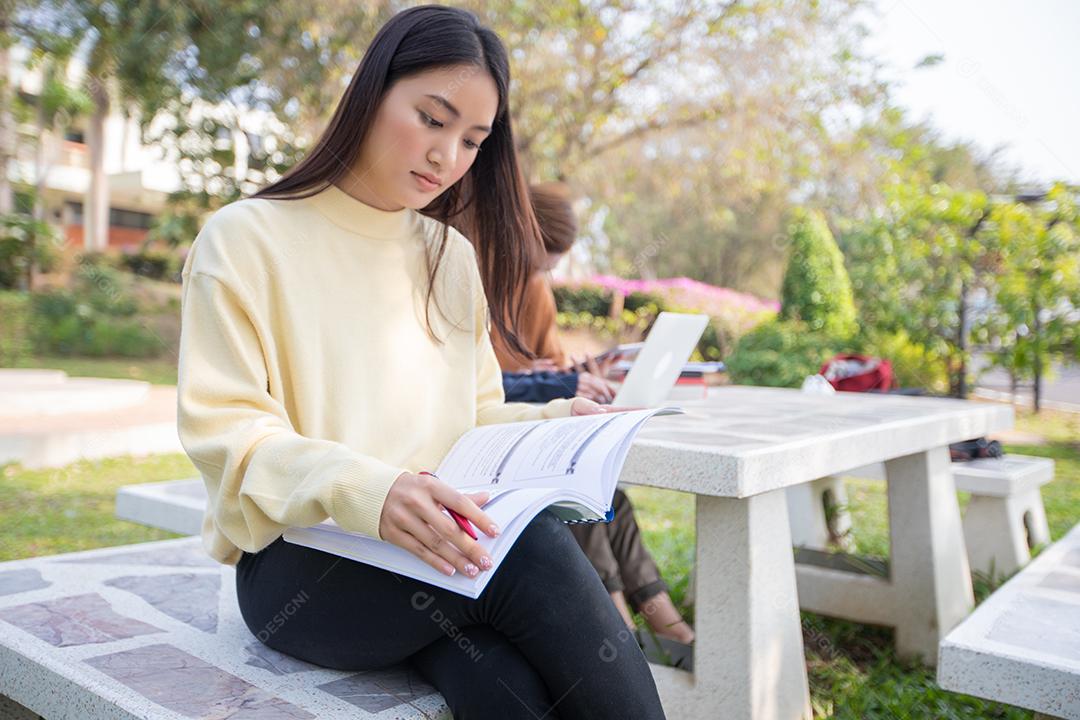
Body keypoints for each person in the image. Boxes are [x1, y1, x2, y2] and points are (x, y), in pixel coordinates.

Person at [174, 6, 667, 719]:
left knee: (502, 683)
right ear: (372, 91)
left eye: (473, 139)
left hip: (432, 555)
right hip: (302, 565)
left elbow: (471, 416)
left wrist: (561, 420)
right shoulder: (245, 240)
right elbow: (231, 436)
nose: (448, 157)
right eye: (432, 119)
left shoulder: (449, 257)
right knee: (532, 553)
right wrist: (371, 491)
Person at [494, 183, 696, 651]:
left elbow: (551, 368)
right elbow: (472, 382)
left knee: (612, 499)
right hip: (496, 441)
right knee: (579, 500)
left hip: (537, 425)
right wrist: (532, 378)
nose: (546, 271)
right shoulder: (467, 283)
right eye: (541, 258)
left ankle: (668, 630)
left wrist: (575, 374)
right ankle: (622, 635)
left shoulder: (534, 293)